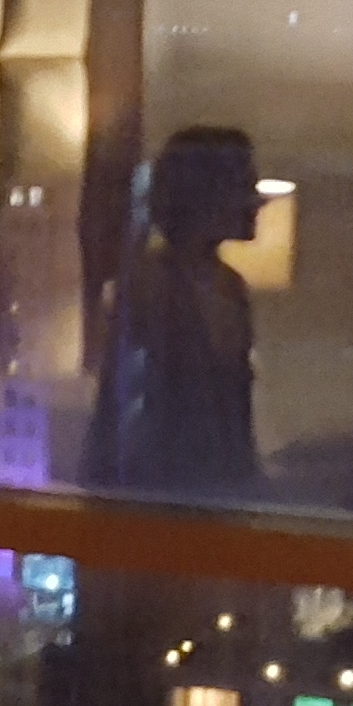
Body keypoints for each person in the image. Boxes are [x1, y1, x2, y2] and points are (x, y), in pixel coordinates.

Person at [83, 126, 266, 498]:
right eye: (244, 188)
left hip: (217, 495)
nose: (256, 203)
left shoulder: (229, 285)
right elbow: (129, 415)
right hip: (161, 499)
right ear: (207, 195)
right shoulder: (151, 285)